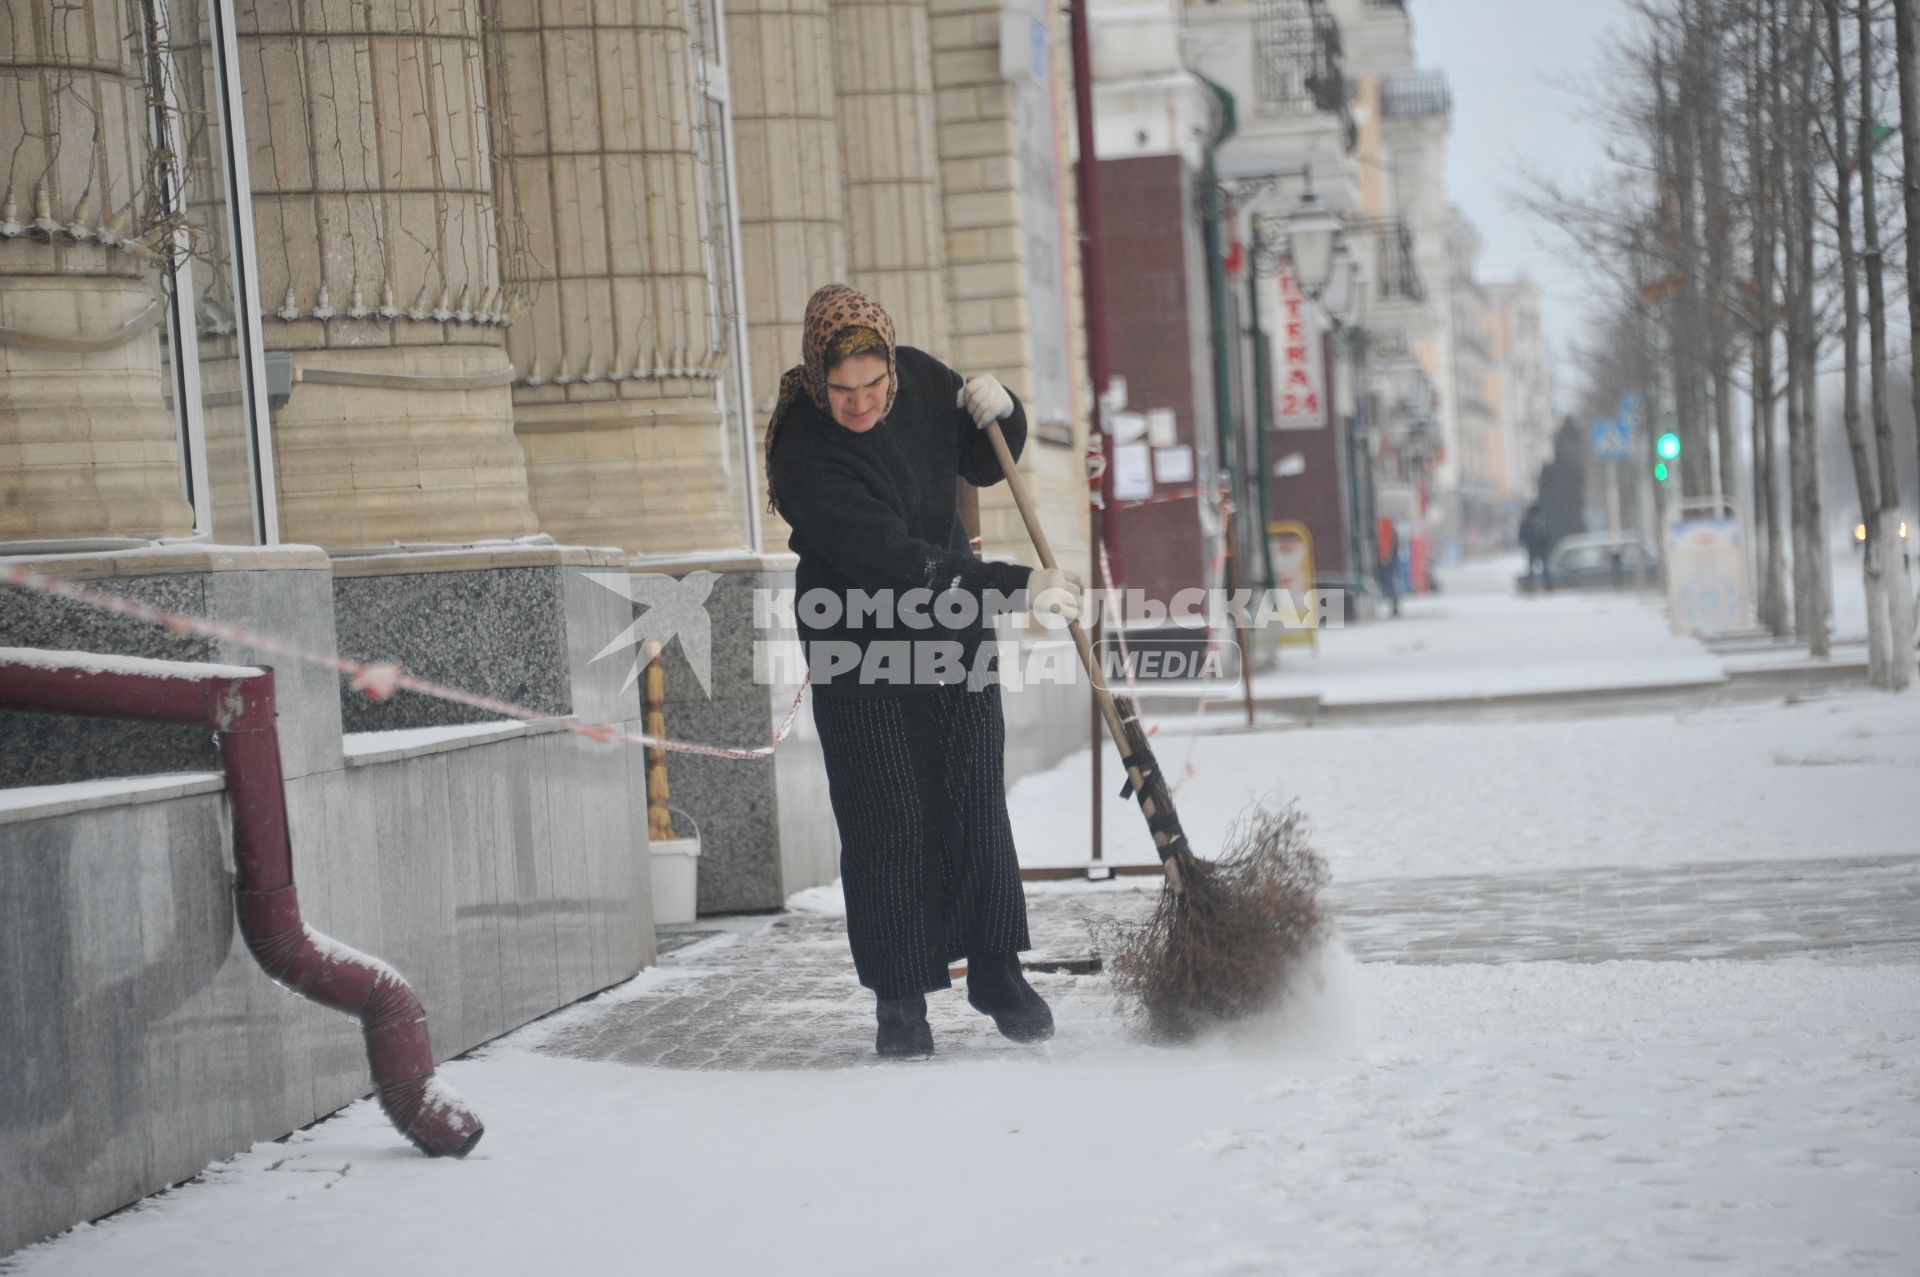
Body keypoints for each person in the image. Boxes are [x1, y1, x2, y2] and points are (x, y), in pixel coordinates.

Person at [765, 284, 1083, 1059]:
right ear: (816, 378)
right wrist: (1017, 586)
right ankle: (901, 998)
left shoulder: (921, 377)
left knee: (973, 788)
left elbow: (984, 456)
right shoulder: (802, 445)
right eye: (843, 391)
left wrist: (1002, 407)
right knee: (887, 813)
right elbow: (895, 565)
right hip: (859, 636)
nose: (862, 403)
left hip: (953, 626)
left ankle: (996, 968)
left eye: (874, 386)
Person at [1374, 515, 1401, 617]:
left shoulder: (1385, 531)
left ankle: (1393, 604)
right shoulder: (1391, 531)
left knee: (1389, 583)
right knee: (1391, 583)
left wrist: (1386, 557)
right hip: (1389, 560)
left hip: (1386, 561)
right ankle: (1393, 604)